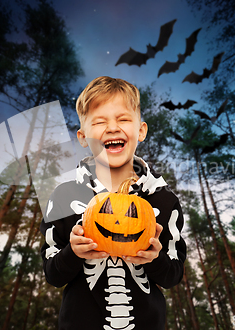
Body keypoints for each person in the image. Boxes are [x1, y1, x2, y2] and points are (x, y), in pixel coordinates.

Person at [40, 76, 186, 330]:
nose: (112, 128)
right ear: (83, 137)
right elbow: (52, 274)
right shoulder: (63, 197)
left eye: (123, 119)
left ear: (140, 131)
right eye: (99, 122)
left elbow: (173, 275)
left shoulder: (165, 200)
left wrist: (154, 258)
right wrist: (72, 253)